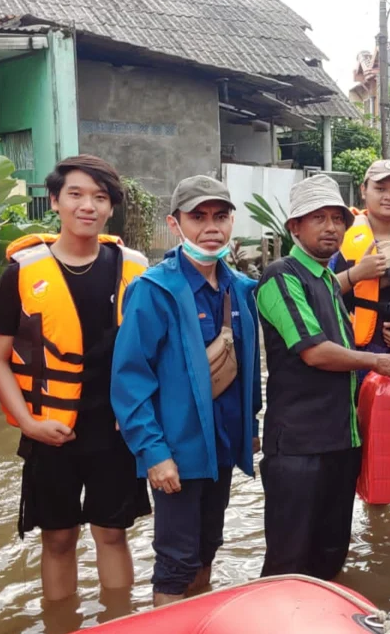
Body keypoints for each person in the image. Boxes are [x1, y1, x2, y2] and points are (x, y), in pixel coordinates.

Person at [0, 155, 151, 602]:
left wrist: (142, 417)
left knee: (113, 535)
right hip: (50, 429)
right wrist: (28, 423)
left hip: (116, 430)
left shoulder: (136, 268)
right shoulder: (21, 273)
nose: (88, 206)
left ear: (111, 208)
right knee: (57, 539)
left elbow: (156, 351)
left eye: (100, 197)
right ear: (54, 201)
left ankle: (119, 623)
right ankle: (62, 624)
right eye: (75, 194)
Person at [111, 176, 262, 606]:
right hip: (176, 452)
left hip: (223, 446)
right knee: (175, 561)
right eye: (198, 217)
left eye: (220, 216)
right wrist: (154, 454)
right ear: (175, 224)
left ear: (232, 221)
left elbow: (249, 368)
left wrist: (250, 425)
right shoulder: (152, 290)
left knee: (208, 546)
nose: (210, 227)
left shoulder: (239, 288)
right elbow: (129, 380)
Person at [255, 174, 390, 579]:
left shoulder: (325, 280)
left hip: (340, 441)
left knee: (332, 552)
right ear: (294, 227)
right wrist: (374, 362)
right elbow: (315, 352)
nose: (331, 227)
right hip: (300, 447)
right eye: (317, 218)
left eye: (337, 218)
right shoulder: (280, 276)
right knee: (289, 559)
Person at [331, 160, 390, 383]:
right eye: (380, 188)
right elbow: (316, 291)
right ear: (363, 190)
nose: (389, 196)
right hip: (352, 352)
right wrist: (356, 273)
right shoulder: (339, 235)